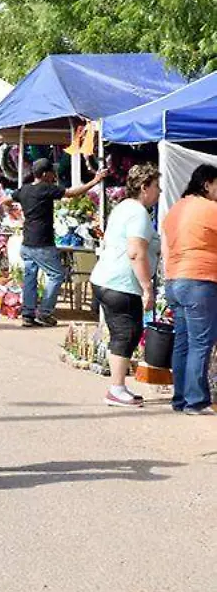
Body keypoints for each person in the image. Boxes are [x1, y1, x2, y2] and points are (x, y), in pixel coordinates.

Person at [90, 164, 161, 408]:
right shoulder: (138, 213)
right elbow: (135, 252)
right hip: (120, 283)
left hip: (106, 279)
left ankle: (118, 386)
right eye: (156, 186)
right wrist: (147, 287)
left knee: (123, 332)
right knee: (126, 332)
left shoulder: (124, 207)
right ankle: (116, 388)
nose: (159, 192)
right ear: (144, 188)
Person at [7, 159, 106, 327]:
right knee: (56, 275)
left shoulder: (24, 189)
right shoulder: (46, 189)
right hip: (42, 243)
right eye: (52, 172)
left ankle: (28, 314)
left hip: (27, 243)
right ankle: (44, 313)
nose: (54, 175)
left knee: (30, 276)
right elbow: (73, 193)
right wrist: (95, 181)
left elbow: (5, 201)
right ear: (45, 174)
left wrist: (15, 214)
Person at [162, 163, 217, 415]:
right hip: (199, 280)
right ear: (207, 184)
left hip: (175, 280)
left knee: (182, 342)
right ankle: (196, 401)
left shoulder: (176, 208)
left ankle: (180, 398)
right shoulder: (209, 208)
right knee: (200, 342)